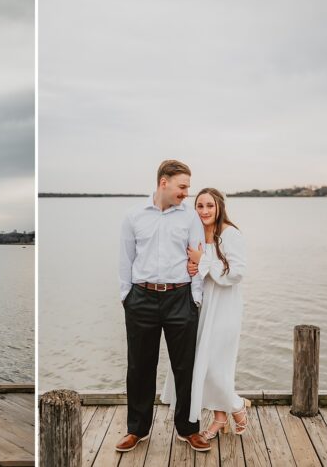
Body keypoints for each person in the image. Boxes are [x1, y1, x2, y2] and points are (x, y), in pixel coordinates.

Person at [116, 160, 209, 452]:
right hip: (141, 299)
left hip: (180, 298)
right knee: (140, 366)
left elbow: (197, 258)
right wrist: (126, 297)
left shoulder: (190, 218)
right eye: (183, 186)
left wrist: (196, 298)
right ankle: (137, 429)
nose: (186, 193)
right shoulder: (134, 216)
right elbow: (125, 259)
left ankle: (188, 428)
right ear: (163, 182)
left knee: (185, 367)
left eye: (188, 188)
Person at [162, 188, 250, 439]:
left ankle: (236, 406)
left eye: (209, 206)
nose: (204, 211)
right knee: (201, 364)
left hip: (225, 308)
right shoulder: (196, 234)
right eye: (199, 206)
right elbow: (191, 269)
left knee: (215, 367)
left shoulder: (230, 234)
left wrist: (203, 261)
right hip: (199, 307)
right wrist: (190, 266)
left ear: (219, 206)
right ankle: (221, 417)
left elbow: (237, 273)